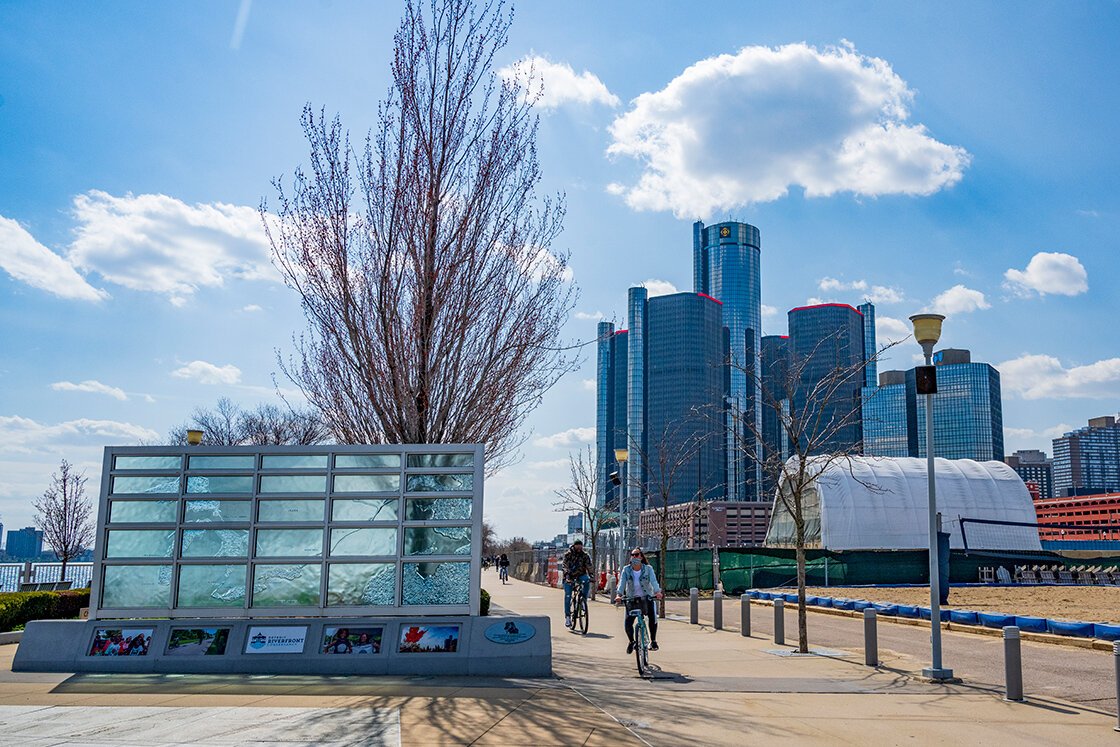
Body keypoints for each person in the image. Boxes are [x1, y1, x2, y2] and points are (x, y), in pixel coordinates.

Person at [613, 547, 663, 652]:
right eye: (633, 555)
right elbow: (622, 583)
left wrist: (657, 592)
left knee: (652, 618)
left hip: (646, 597)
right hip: (631, 599)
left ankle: (653, 641)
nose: (634, 557)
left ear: (641, 556)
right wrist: (619, 595)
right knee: (628, 623)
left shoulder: (648, 569)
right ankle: (632, 642)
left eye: (637, 555)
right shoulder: (626, 570)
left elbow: (653, 581)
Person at [561, 539, 592, 629]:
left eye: (580, 545)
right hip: (569, 577)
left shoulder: (585, 555)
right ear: (574, 546)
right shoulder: (568, 554)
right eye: (577, 545)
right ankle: (567, 617)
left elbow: (589, 566)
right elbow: (564, 565)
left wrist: (592, 575)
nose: (579, 547)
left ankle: (583, 600)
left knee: (586, 580)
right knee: (568, 596)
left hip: (580, 575)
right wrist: (567, 575)